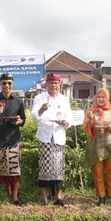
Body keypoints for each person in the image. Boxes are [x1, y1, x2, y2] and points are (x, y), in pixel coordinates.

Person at [30, 73, 72, 207]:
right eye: (51, 83)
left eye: (56, 83)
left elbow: (69, 117)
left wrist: (66, 122)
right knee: (44, 167)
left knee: (59, 167)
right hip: (45, 136)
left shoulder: (64, 99)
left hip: (59, 136)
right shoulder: (39, 98)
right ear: (46, 84)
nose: (53, 85)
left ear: (59, 85)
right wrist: (41, 109)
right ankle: (44, 197)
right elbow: (34, 116)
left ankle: (58, 197)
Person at [0, 73, 26, 207]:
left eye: (9, 83)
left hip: (14, 139)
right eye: (4, 83)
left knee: (15, 172)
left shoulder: (18, 101)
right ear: (0, 84)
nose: (7, 85)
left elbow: (23, 120)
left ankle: (15, 198)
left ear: (12, 84)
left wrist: (19, 121)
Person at [82, 88, 111, 208]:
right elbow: (85, 128)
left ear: (107, 98)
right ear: (96, 98)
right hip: (96, 147)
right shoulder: (91, 111)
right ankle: (101, 197)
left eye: (103, 97)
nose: (101, 99)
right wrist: (90, 120)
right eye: (99, 97)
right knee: (97, 172)